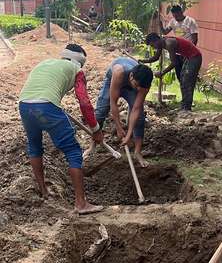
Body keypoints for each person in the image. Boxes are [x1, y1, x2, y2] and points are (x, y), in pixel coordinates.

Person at [18, 43, 104, 215]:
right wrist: (96, 129)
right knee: (73, 150)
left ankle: (43, 191)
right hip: (46, 106)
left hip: (24, 105)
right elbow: (84, 102)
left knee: (35, 146)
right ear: (79, 61)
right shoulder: (76, 70)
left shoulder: (45, 63)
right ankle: (81, 203)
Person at [93, 57, 153, 166]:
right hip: (113, 81)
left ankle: (137, 152)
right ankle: (92, 145)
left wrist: (128, 134)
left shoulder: (144, 84)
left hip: (131, 83)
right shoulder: (119, 72)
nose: (138, 89)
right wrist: (119, 128)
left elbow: (136, 109)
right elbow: (113, 103)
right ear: (131, 77)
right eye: (137, 85)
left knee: (139, 117)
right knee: (100, 112)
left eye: (141, 88)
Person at [144, 33, 202, 111]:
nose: (153, 47)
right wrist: (144, 61)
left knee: (187, 81)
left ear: (156, 40)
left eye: (152, 45)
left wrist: (162, 73)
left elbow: (175, 63)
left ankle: (187, 108)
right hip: (188, 57)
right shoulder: (161, 43)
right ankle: (184, 106)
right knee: (182, 80)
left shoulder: (169, 43)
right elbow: (156, 57)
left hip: (195, 57)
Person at [161, 5, 198, 81]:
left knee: (187, 76)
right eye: (174, 16)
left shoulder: (190, 21)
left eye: (177, 15)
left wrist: (189, 53)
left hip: (187, 52)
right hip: (177, 52)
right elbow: (165, 32)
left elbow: (195, 39)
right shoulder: (172, 22)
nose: (176, 18)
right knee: (179, 76)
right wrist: (160, 24)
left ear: (181, 12)